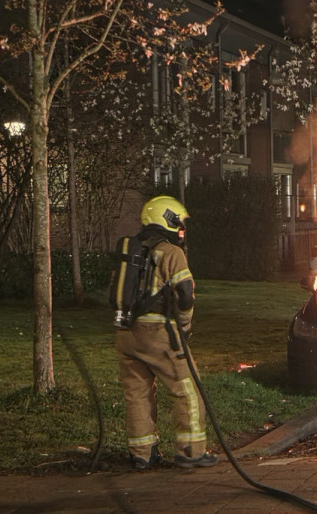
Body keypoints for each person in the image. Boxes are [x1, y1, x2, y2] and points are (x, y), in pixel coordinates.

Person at [116, 195, 217, 470]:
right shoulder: (171, 252)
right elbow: (185, 294)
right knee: (187, 389)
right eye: (179, 222)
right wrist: (184, 326)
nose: (181, 229)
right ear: (168, 219)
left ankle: (142, 454)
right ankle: (191, 451)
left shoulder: (133, 251)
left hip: (125, 332)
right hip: (157, 332)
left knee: (137, 393)